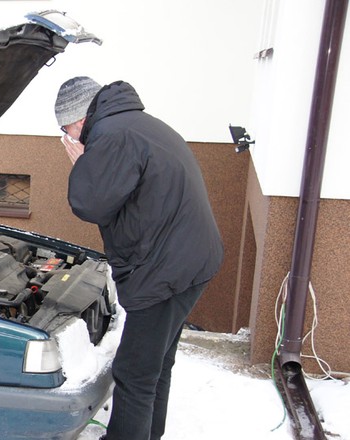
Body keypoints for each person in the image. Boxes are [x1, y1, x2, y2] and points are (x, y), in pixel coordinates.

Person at [53, 77, 224, 440]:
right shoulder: (137, 123)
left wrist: (83, 163)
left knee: (133, 372)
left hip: (165, 269)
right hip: (191, 259)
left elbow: (89, 203)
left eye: (66, 129)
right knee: (155, 363)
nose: (68, 137)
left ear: (79, 120)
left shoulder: (111, 137)